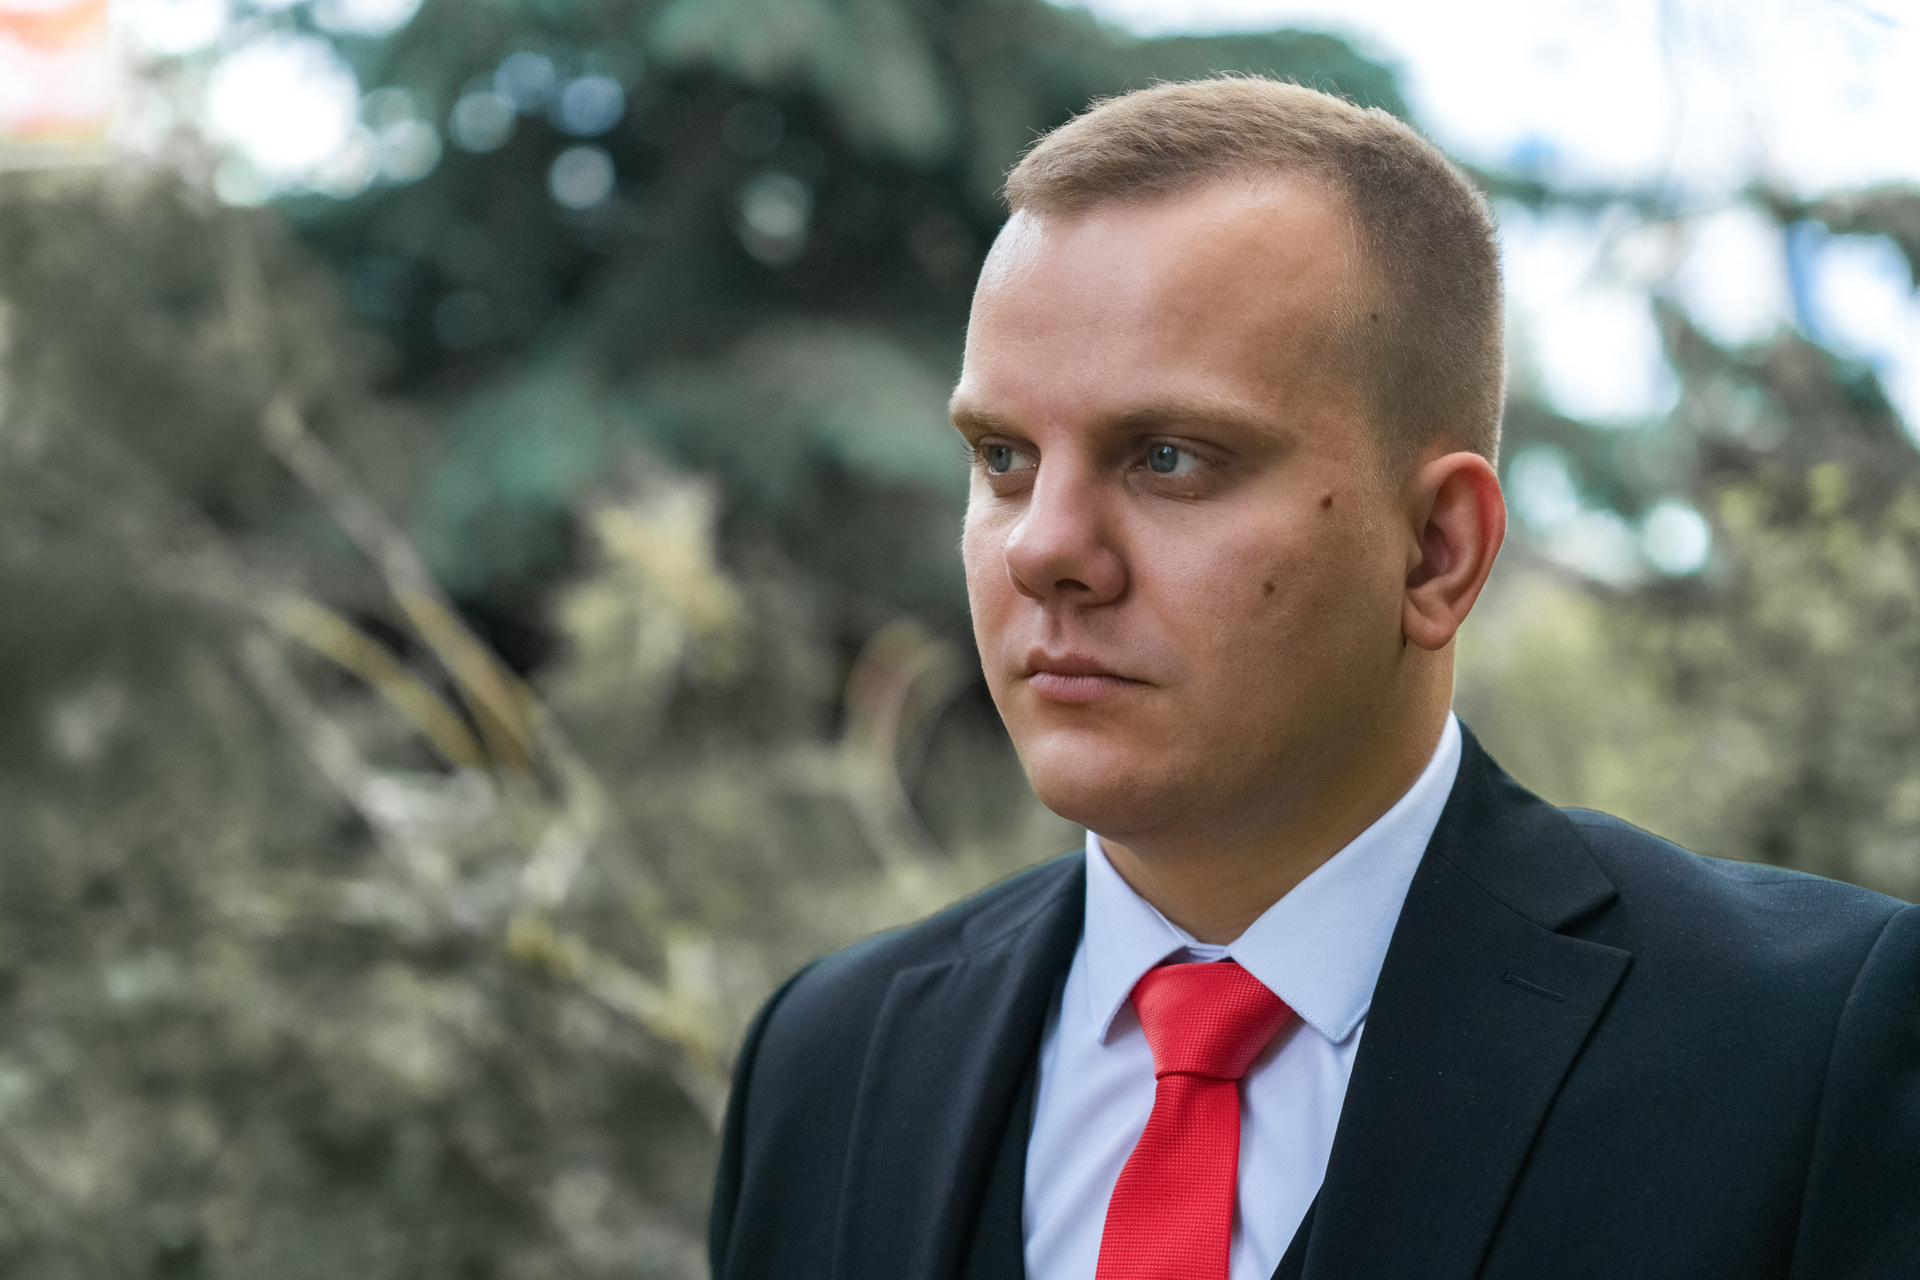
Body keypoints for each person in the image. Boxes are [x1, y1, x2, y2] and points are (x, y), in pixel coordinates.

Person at [705, 78, 1920, 1280]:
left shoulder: (1809, 1054)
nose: (1043, 548)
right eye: (1004, 457)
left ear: (1437, 549)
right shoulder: (827, 1065)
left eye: (1167, 456)